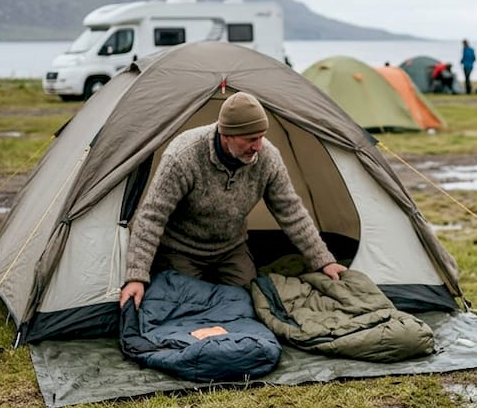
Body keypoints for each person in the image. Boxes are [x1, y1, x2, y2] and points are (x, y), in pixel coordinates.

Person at [119, 91, 346, 308]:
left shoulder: (267, 158)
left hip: (230, 248)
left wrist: (323, 260)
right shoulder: (183, 156)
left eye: (261, 137)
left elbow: (291, 211)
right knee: (187, 303)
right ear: (226, 135)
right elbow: (151, 216)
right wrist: (136, 276)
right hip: (181, 250)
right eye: (250, 139)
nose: (257, 146)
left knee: (248, 301)